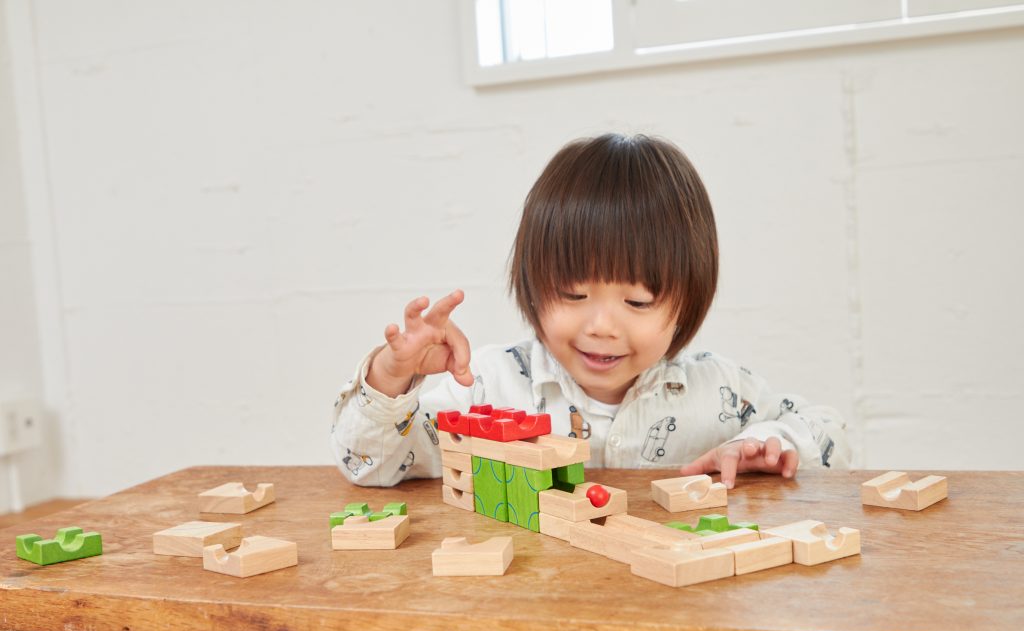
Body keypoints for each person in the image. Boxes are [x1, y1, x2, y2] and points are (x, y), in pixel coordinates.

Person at [330, 133, 849, 493]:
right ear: (533, 287)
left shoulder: (718, 391)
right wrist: (391, 376)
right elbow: (369, 466)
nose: (601, 325)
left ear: (687, 301)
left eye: (638, 302)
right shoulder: (488, 386)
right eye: (573, 295)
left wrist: (764, 443)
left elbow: (829, 432)